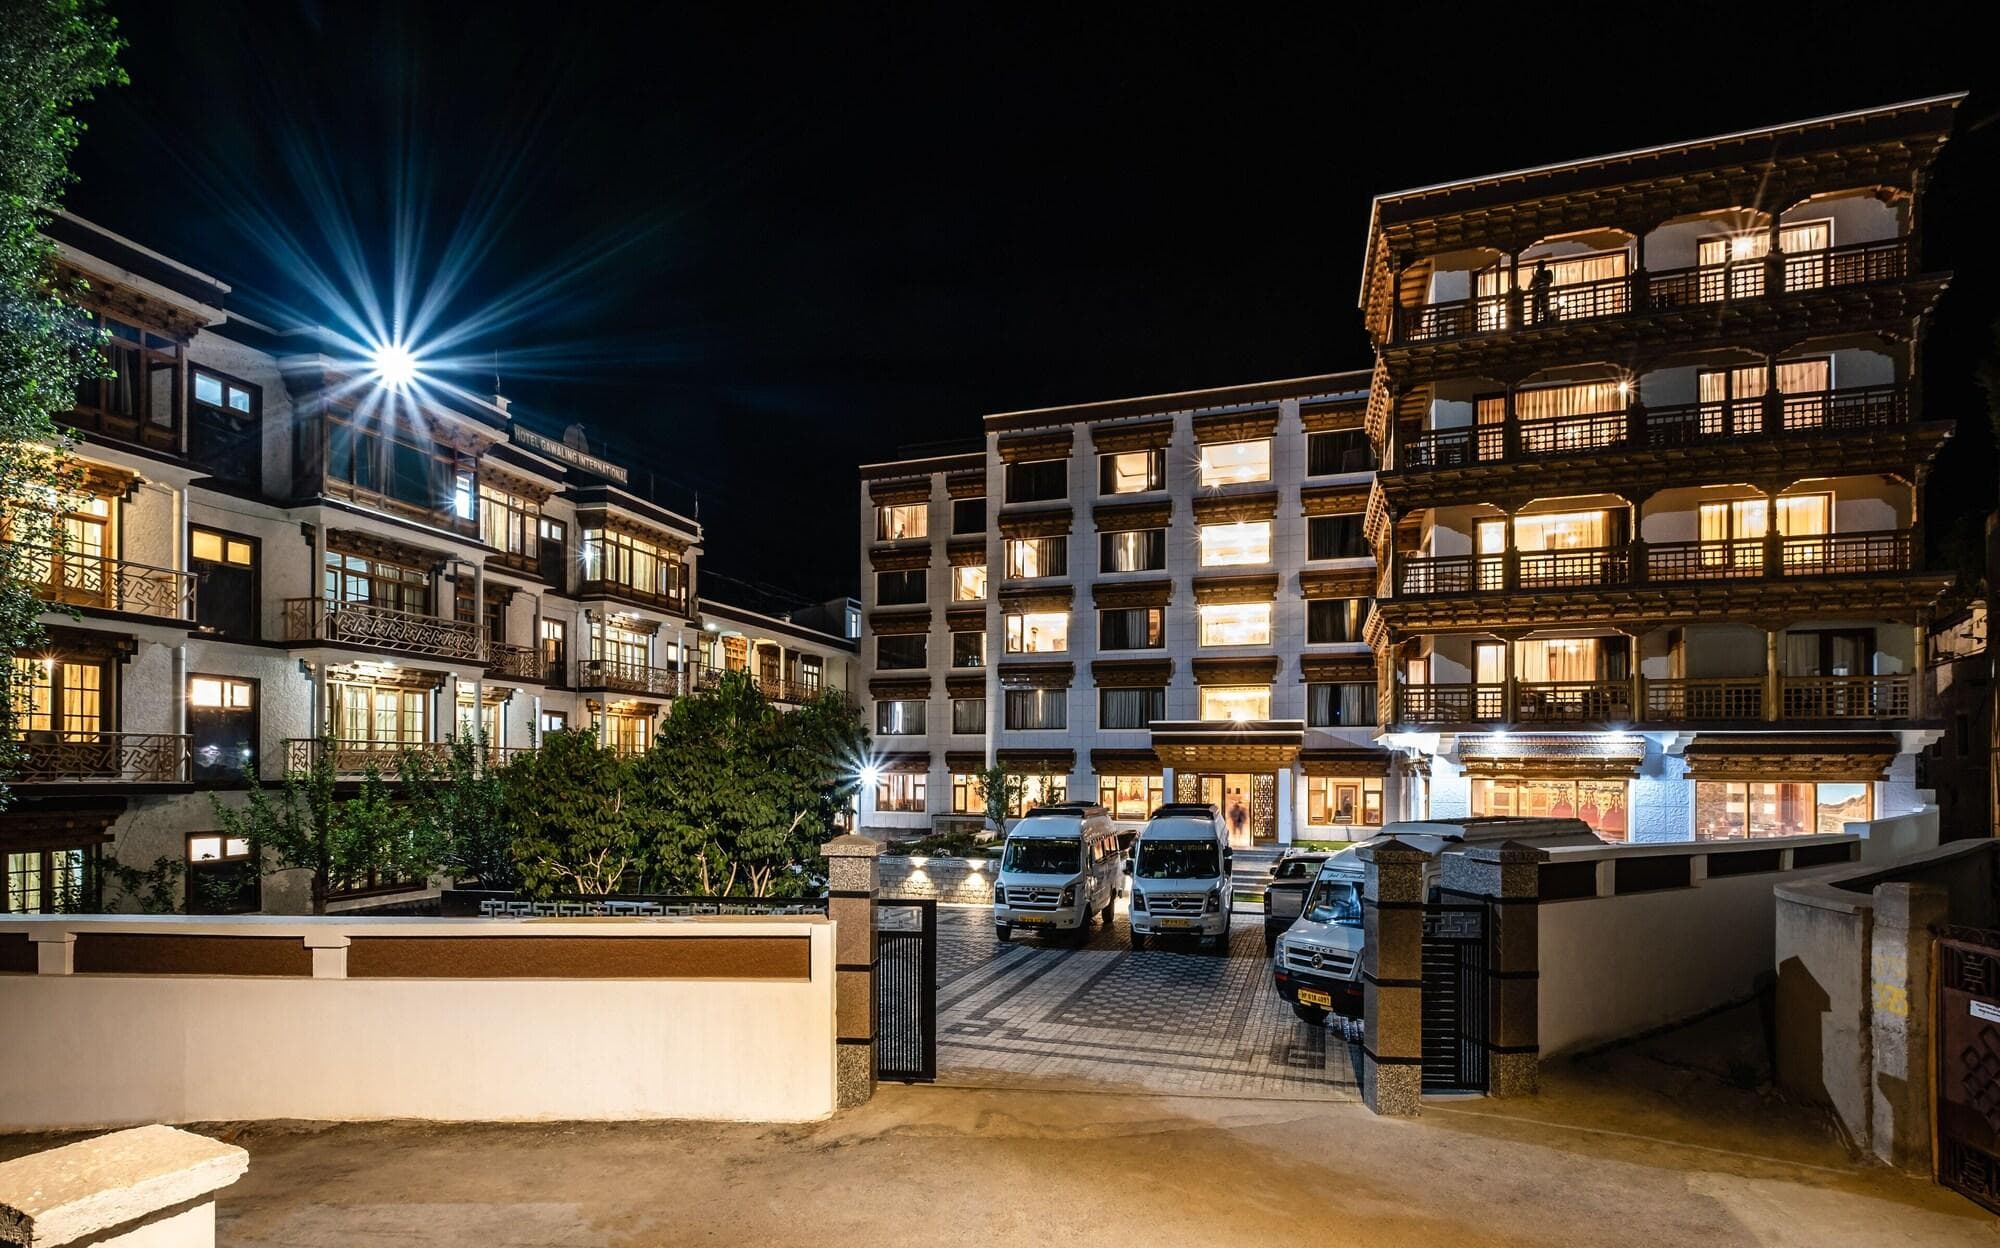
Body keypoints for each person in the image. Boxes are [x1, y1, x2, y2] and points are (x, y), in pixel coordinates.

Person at [1528, 259, 1554, 325]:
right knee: (1535, 308)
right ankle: (1534, 321)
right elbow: (1529, 286)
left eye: (1540, 266)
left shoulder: (1548, 272)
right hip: (1536, 294)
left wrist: (1540, 277)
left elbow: (1550, 280)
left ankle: (1546, 320)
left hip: (1544, 293)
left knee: (1544, 307)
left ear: (1544, 266)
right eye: (1538, 266)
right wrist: (1534, 278)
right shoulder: (1537, 274)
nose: (1539, 267)